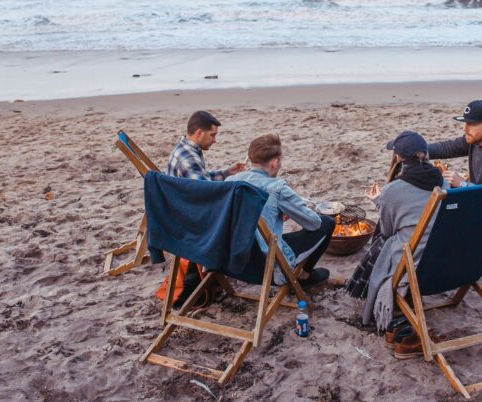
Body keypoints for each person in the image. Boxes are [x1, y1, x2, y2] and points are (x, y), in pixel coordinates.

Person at [346, 131, 448, 340]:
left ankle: (369, 305)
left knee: (382, 243)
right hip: (442, 261)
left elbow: (387, 231)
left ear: (399, 158)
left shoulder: (393, 190)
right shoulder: (444, 184)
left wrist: (380, 200)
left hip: (413, 264)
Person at [226, 134, 335, 287]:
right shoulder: (277, 188)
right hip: (265, 267)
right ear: (275, 162)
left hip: (232, 262)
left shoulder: (229, 182)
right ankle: (304, 275)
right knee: (327, 223)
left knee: (272, 234)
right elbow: (313, 223)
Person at [166, 110, 246, 180]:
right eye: (212, 135)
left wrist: (228, 173)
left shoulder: (183, 147)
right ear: (199, 133)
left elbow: (203, 177)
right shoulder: (189, 157)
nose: (214, 140)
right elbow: (206, 191)